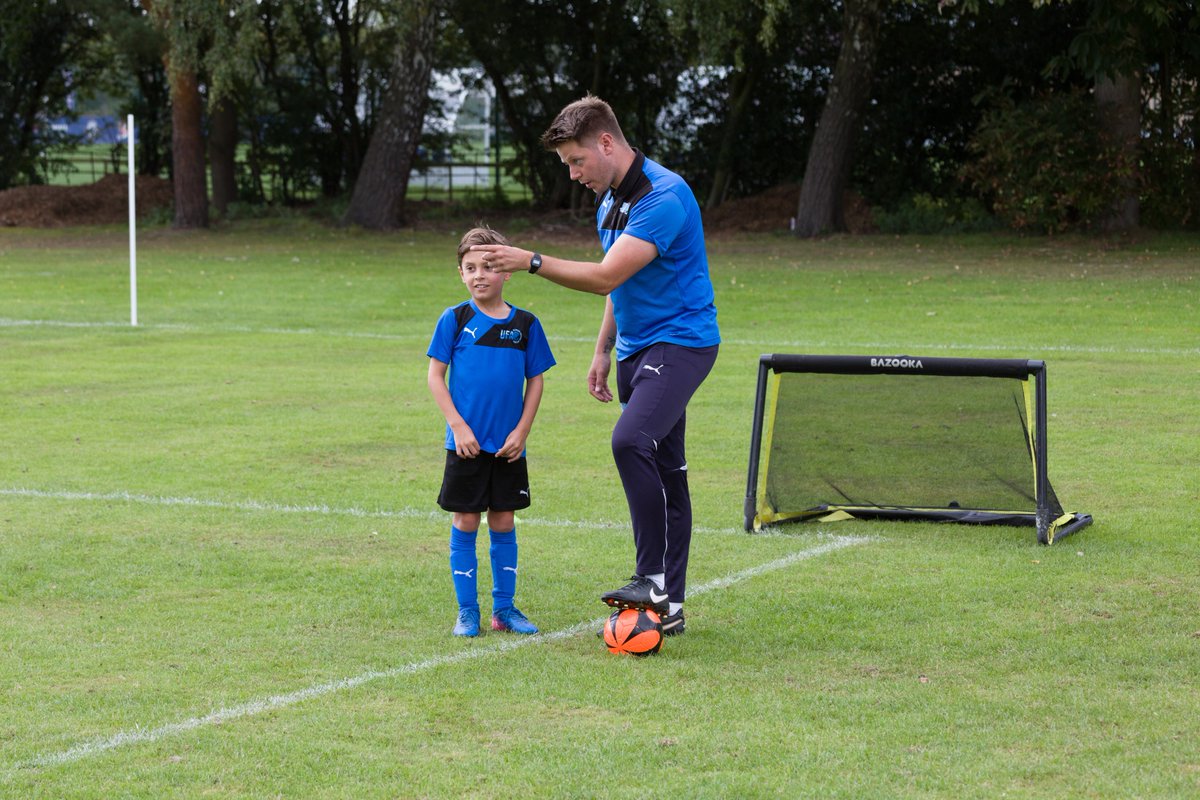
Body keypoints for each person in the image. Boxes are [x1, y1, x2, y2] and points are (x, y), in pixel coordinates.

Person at [471, 95, 720, 637]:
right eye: (566, 164)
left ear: (606, 143)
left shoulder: (664, 196)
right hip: (636, 349)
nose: (573, 173)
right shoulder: (608, 201)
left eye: (576, 161)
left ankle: (651, 579)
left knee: (630, 442)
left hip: (682, 344)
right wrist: (603, 349)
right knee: (669, 474)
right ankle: (669, 607)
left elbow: (605, 275)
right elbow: (621, 283)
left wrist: (531, 261)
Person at [427, 226, 556, 637]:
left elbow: (536, 380)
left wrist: (522, 431)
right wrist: (458, 426)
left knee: (503, 520)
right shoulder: (455, 319)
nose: (479, 274)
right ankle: (468, 611)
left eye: (488, 266)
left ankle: (505, 609)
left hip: (508, 447)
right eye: (470, 268)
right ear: (461, 274)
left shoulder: (525, 324)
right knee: (466, 520)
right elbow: (435, 376)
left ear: (506, 272)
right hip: (465, 445)